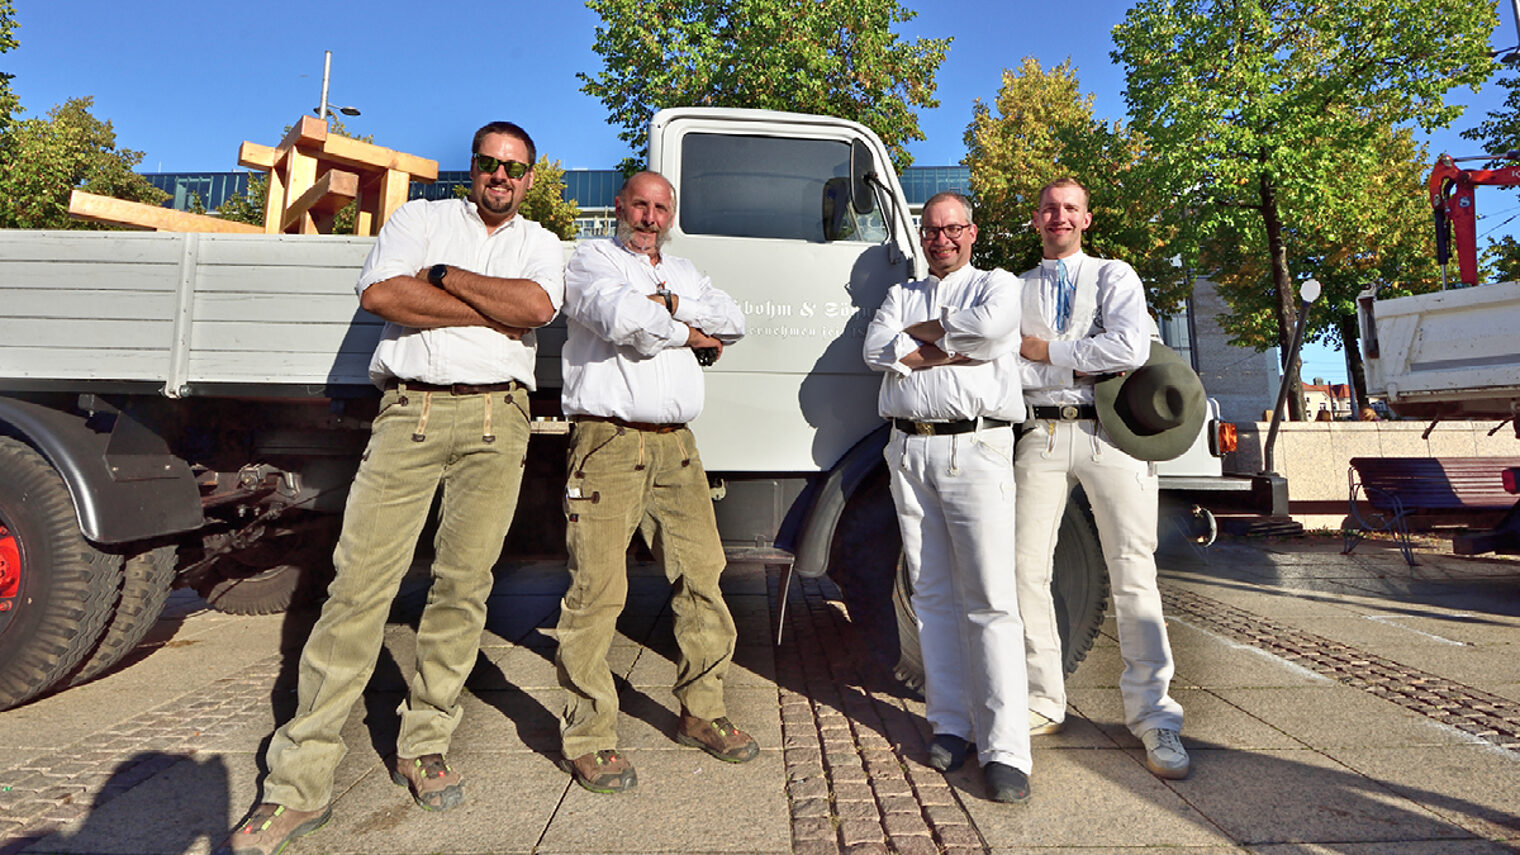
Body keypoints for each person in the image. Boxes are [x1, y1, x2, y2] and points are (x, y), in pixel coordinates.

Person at [219, 121, 564, 855]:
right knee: (358, 590)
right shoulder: (422, 218)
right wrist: (485, 308)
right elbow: (382, 294)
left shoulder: (540, 241)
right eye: (489, 162)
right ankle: (297, 784)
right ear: (472, 167)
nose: (500, 175)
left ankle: (424, 741)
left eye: (515, 167)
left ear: (530, 177)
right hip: (414, 408)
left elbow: (534, 309)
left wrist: (442, 279)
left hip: (499, 419)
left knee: (463, 588)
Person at [554, 171, 753, 795]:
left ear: (671, 214)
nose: (649, 216)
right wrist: (691, 334)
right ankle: (589, 737)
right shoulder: (589, 259)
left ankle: (703, 710)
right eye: (639, 204)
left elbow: (735, 319)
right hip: (608, 442)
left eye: (660, 207)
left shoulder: (685, 272)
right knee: (597, 591)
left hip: (677, 448)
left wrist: (673, 309)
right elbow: (624, 322)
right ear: (620, 206)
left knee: (702, 577)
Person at [1014, 177, 1190, 780]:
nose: (1059, 217)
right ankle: (1042, 698)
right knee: (1023, 570)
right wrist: (1073, 353)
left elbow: (1130, 348)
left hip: (1112, 433)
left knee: (1133, 573)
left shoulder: (1115, 275)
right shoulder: (1015, 288)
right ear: (1035, 220)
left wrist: (1046, 351)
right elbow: (1009, 360)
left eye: (1070, 209)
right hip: (1039, 434)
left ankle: (1155, 716)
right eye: (1049, 209)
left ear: (1087, 219)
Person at [863, 191, 1032, 803]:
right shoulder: (899, 294)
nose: (941, 240)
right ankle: (950, 724)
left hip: (976, 449)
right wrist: (949, 347)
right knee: (930, 591)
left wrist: (918, 346)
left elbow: (989, 333)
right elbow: (873, 349)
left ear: (972, 232)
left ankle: (1006, 748)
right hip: (909, 450)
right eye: (931, 231)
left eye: (952, 229)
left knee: (990, 597)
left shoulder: (999, 284)